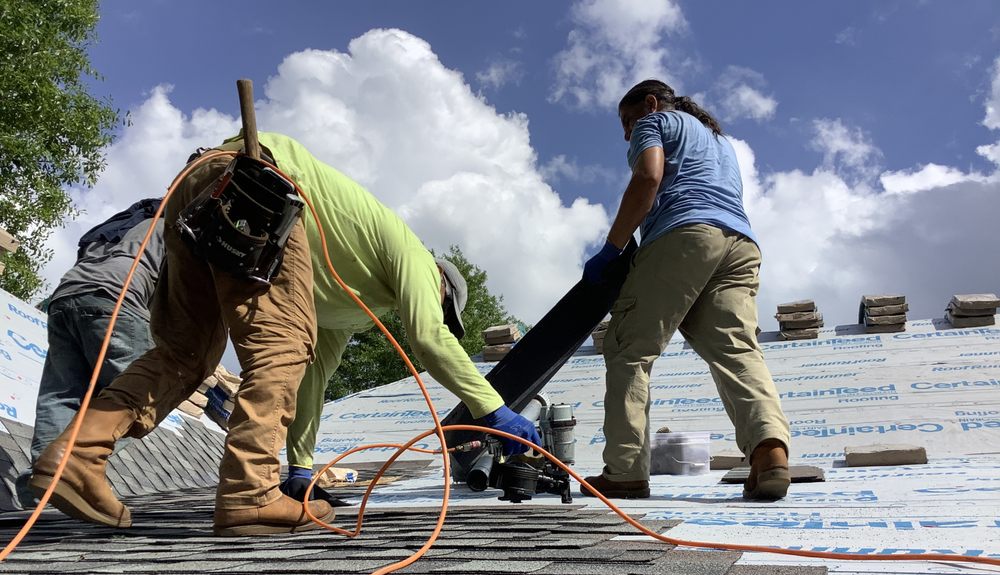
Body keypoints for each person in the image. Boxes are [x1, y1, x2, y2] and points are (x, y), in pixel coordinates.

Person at [28, 133, 539, 536]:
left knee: (186, 355)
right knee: (281, 348)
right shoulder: (417, 260)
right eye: (444, 308)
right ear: (443, 286)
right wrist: (492, 410)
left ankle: (77, 455)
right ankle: (250, 494)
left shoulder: (353, 300)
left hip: (201, 184)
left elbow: (313, 378)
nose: (435, 312)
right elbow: (429, 338)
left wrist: (302, 468)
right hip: (262, 183)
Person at [581, 80, 790, 501]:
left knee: (628, 349)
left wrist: (612, 248)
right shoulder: (720, 142)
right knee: (736, 350)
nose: (627, 132)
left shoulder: (655, 122)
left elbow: (648, 177)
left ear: (651, 103)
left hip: (685, 236)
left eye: (627, 121)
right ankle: (770, 452)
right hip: (740, 244)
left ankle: (624, 471)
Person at [11, 200, 164, 511]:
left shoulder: (111, 226)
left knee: (61, 394)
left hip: (65, 298)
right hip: (117, 300)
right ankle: (74, 464)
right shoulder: (167, 226)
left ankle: (40, 478)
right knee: (143, 398)